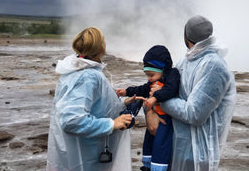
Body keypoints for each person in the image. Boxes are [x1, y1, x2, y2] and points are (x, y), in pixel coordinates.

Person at [149, 15, 236, 171]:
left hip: (199, 156)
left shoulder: (214, 67)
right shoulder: (186, 62)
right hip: (176, 147)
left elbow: (194, 113)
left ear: (185, 36)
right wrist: (151, 111)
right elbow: (157, 87)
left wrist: (160, 99)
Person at [46, 27, 134, 171]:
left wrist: (122, 103)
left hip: (80, 151)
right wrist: (111, 124)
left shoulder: (77, 71)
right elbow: (71, 120)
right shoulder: (87, 76)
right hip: (87, 154)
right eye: (103, 40)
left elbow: (97, 105)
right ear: (100, 47)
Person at [116, 45, 180, 171]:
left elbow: (171, 90)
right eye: (147, 75)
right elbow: (142, 89)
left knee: (161, 145)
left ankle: (159, 167)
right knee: (149, 142)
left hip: (166, 119)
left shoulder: (173, 75)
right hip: (155, 115)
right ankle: (147, 165)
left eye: (151, 74)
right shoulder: (153, 82)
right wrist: (127, 91)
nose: (149, 79)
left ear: (163, 69)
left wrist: (155, 97)